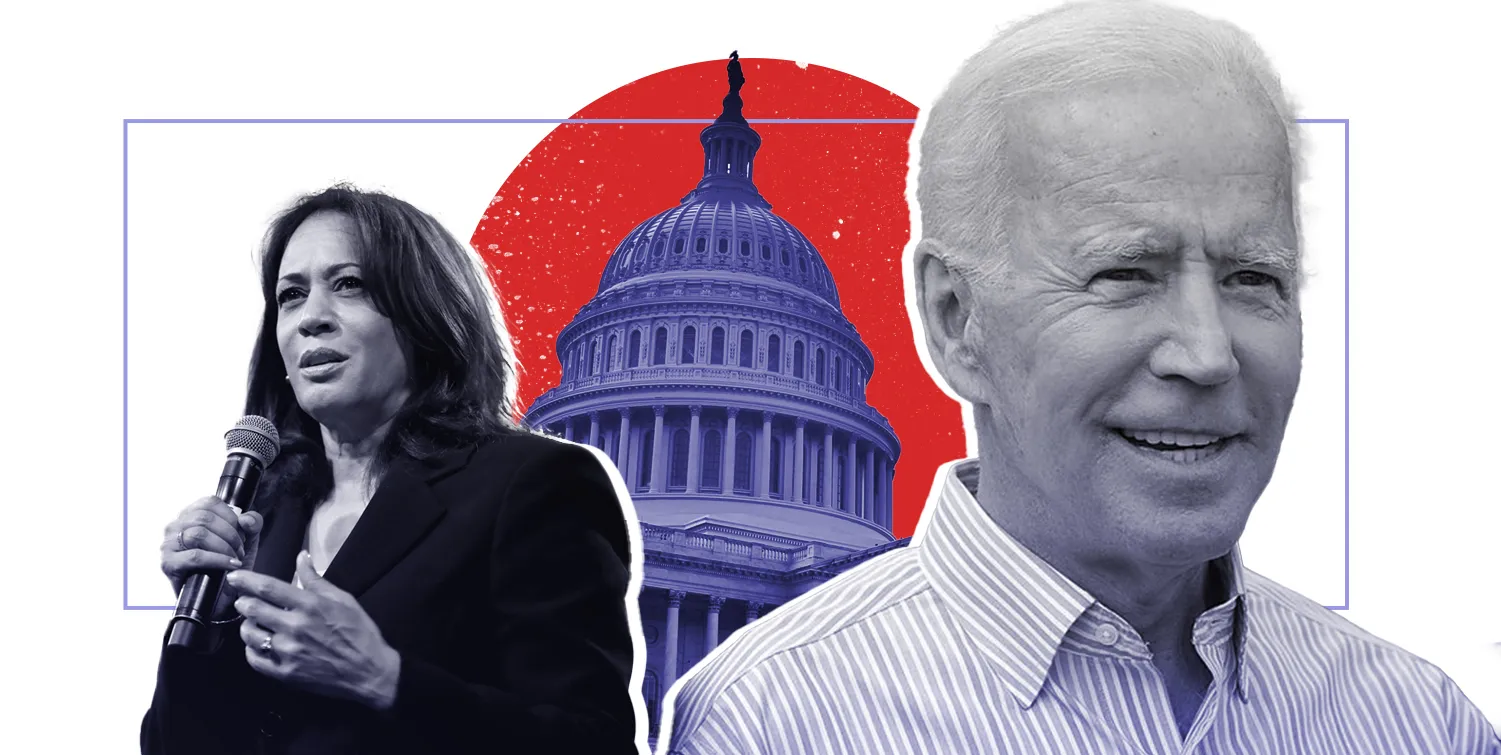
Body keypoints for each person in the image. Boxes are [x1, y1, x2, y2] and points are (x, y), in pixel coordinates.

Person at [659, 2, 1501, 753]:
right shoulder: (769, 722)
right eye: (1124, 273)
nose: (1206, 354)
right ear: (957, 321)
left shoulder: (1424, 721)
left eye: (1254, 277)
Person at [141, 185, 643, 754]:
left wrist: (386, 681)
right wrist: (211, 621)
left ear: (426, 314)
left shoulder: (536, 483)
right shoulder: (266, 513)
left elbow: (594, 744)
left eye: (348, 285)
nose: (312, 319)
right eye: (291, 295)